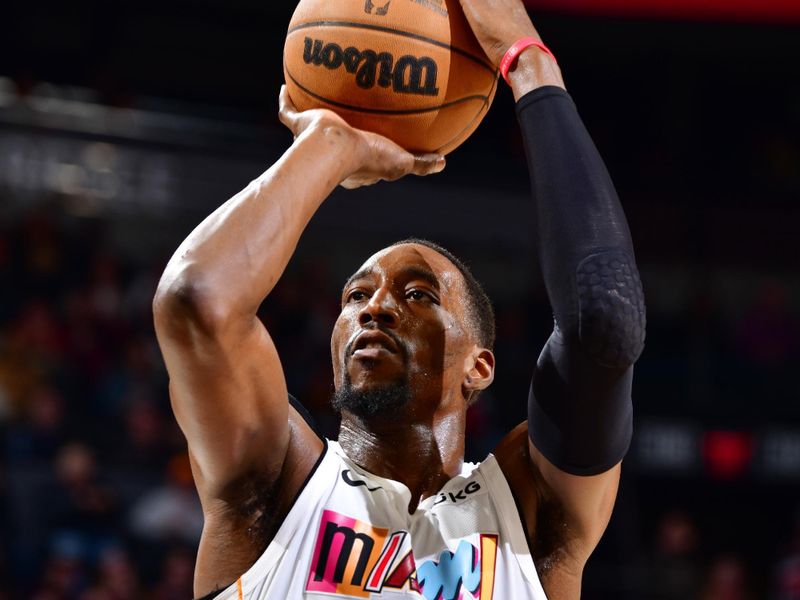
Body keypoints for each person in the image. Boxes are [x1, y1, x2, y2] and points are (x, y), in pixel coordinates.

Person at [152, 0, 646, 598]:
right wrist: (330, 146)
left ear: (479, 365)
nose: (375, 307)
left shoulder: (529, 517)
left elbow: (605, 320)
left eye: (417, 294)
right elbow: (195, 300)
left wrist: (529, 67)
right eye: (354, 295)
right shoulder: (274, 488)